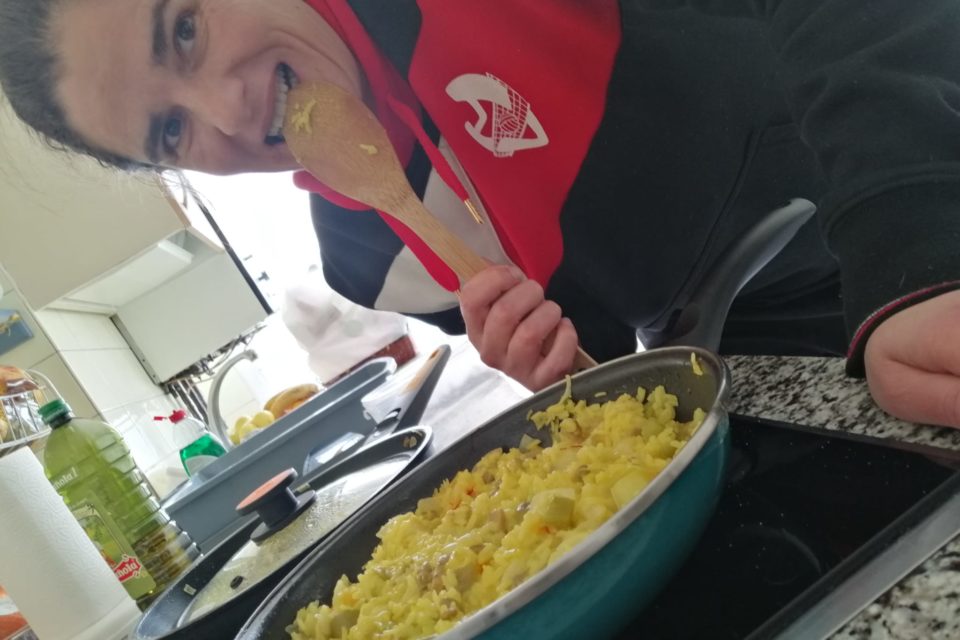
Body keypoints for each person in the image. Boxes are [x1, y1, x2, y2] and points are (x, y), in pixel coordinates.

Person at [1, 0, 959, 429]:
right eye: (169, 133)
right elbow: (643, 349)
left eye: (184, 28)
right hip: (818, 384)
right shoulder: (370, 256)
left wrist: (915, 247)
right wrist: (574, 371)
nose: (225, 111)